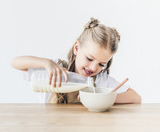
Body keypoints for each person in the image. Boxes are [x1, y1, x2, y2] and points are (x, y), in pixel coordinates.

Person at [11, 17, 142, 104]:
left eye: (102, 64)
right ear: (77, 48)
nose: (93, 67)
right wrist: (46, 63)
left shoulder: (100, 81)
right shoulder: (56, 70)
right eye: (89, 58)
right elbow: (15, 63)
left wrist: (105, 98)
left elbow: (136, 98)